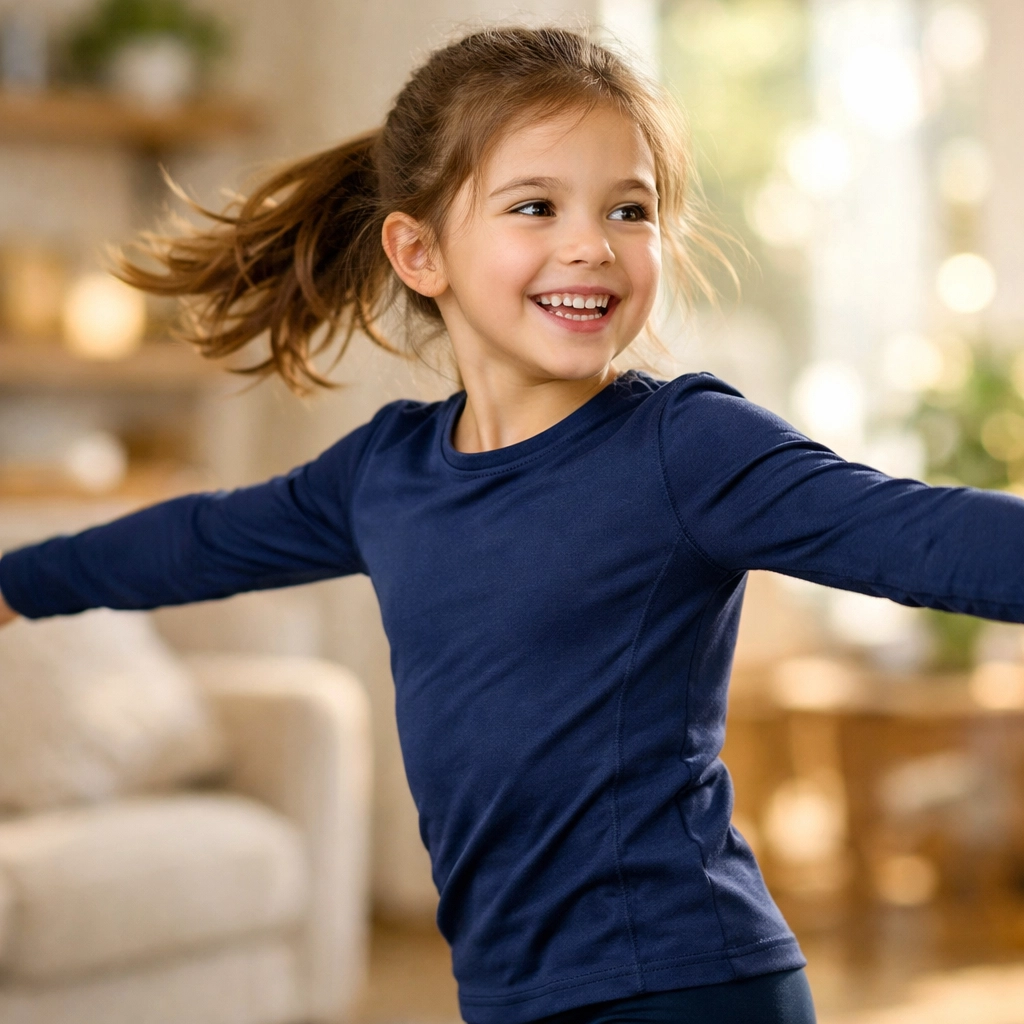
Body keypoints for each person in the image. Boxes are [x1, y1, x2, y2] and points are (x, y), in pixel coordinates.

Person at [1, 25, 1023, 1024]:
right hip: (506, 991)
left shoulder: (686, 447)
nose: (592, 243)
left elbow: (924, 534)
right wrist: (16, 582)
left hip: (681, 980)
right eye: (534, 205)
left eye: (631, 209)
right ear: (418, 249)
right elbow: (200, 540)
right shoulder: (384, 473)